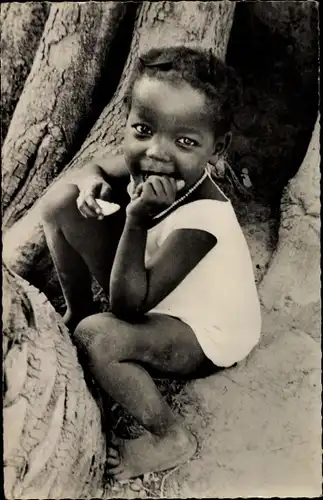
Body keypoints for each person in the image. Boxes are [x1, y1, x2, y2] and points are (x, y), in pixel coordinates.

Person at [41, 46, 262, 480]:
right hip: (153, 289)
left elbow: (128, 307)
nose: (156, 153)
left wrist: (136, 218)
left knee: (99, 336)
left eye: (184, 142)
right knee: (61, 202)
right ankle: (78, 306)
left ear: (218, 149)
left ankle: (169, 436)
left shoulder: (205, 219)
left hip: (202, 334)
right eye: (143, 129)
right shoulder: (144, 160)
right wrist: (89, 186)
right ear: (127, 124)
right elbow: (97, 166)